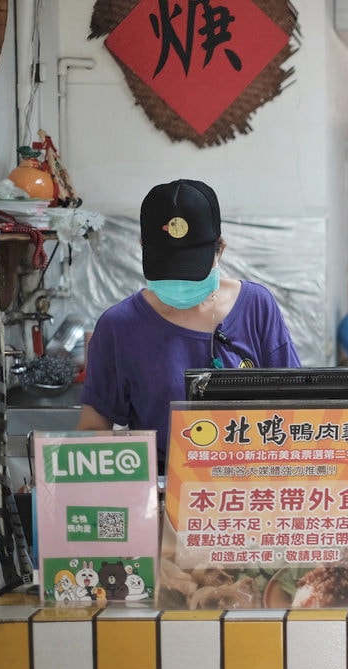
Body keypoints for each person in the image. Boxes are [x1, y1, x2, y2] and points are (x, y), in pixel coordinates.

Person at [77, 179, 301, 471]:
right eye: (169, 268)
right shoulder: (119, 326)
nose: (180, 282)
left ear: (220, 249)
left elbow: (298, 406)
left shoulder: (256, 306)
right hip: (162, 495)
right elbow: (94, 426)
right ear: (143, 247)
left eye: (191, 269)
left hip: (249, 494)